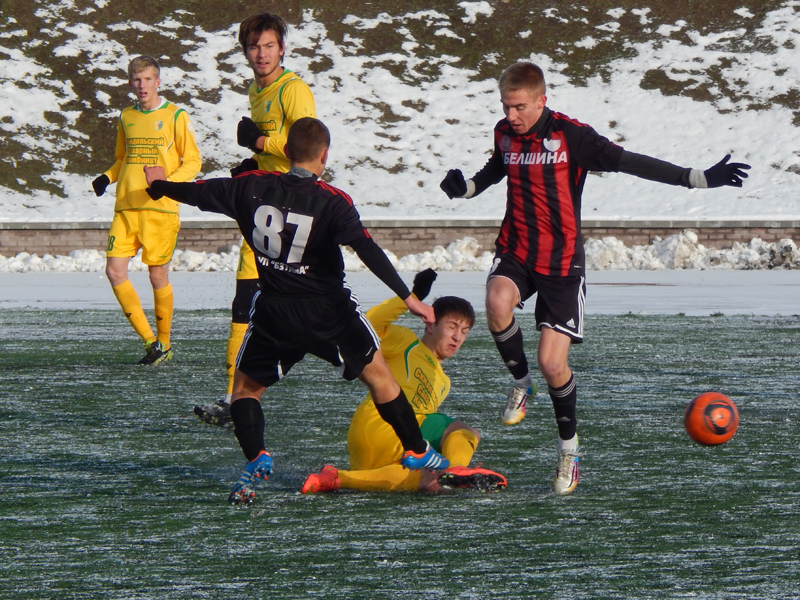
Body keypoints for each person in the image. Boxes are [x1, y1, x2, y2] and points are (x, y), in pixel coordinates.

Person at [439, 61, 751, 495]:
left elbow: (630, 162)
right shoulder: (504, 132)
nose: (511, 115)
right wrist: (466, 188)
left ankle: (569, 451)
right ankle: (520, 384)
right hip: (517, 249)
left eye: (519, 107)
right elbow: (498, 168)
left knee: (553, 364)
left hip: (562, 263)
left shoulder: (572, 137)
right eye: (505, 106)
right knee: (495, 301)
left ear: (542, 100)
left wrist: (696, 178)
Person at [145, 117, 449, 505]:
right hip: (328, 312)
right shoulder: (333, 200)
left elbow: (195, 192)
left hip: (275, 312)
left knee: (245, 391)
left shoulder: (249, 186)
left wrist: (159, 186)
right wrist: (409, 297)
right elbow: (366, 248)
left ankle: (256, 456)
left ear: (286, 152)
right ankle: (417, 449)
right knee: (381, 380)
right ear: (325, 156)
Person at [194, 13, 317, 425]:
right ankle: (236, 398)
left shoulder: (293, 90)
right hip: (265, 209)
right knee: (247, 304)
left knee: (299, 314)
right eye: (253, 47)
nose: (261, 54)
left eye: (268, 46)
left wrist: (259, 141)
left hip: (288, 213)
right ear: (245, 52)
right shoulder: (256, 89)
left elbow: (308, 148)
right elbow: (278, 152)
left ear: (282, 48)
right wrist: (255, 163)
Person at [302, 271, 507, 495]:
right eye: (451, 327)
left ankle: (336, 478)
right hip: (379, 423)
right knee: (465, 431)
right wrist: (412, 297)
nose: (457, 337)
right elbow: (369, 324)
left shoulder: (444, 382)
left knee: (433, 482)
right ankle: (458, 469)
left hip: (386, 446)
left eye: (464, 331)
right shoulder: (407, 343)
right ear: (430, 325)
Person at [92, 55, 202, 365]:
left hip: (160, 210)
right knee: (114, 271)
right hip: (126, 207)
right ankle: (150, 341)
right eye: (137, 80)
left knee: (157, 276)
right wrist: (107, 177)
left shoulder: (175, 115)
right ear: (131, 83)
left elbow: (193, 161)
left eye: (148, 79)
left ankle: (164, 343)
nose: (142, 85)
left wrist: (166, 184)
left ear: (158, 81)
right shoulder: (126, 116)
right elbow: (122, 158)